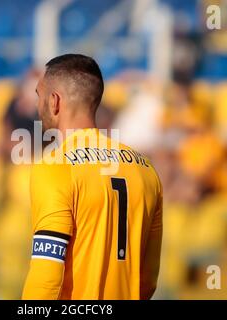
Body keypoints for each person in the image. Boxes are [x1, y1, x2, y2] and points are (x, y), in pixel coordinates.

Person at [22, 54, 163, 300]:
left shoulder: (55, 166)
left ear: (54, 101)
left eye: (39, 95)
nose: (37, 104)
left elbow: (47, 276)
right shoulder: (146, 169)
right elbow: (148, 280)